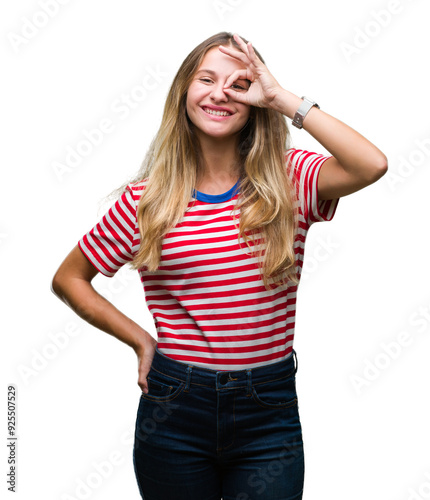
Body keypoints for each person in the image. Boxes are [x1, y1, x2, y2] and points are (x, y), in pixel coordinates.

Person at [51, 31, 387, 500]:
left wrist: (282, 98)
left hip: (268, 410)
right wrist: (141, 342)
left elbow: (370, 164)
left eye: (239, 84)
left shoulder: (290, 179)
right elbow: (69, 279)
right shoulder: (146, 200)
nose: (219, 94)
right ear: (184, 91)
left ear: (256, 100)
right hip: (175, 409)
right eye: (206, 79)